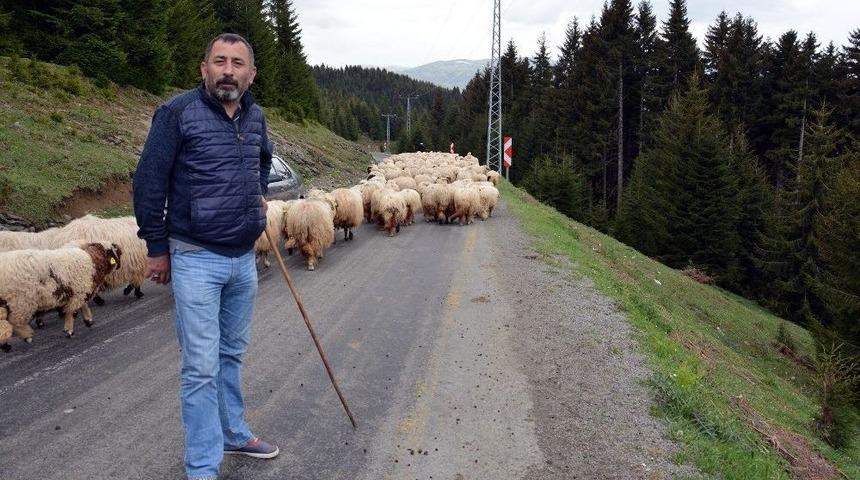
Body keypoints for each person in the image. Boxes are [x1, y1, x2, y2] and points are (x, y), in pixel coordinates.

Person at [133, 33, 279, 480]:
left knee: (232, 352)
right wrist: (157, 248)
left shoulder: (256, 116)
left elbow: (262, 161)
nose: (229, 71)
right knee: (200, 366)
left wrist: (255, 197)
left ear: (251, 74)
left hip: (242, 259)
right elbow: (148, 182)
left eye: (238, 63)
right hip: (195, 255)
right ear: (204, 69)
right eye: (220, 61)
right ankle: (201, 466)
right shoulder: (177, 113)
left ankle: (234, 431)